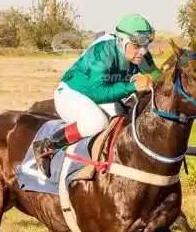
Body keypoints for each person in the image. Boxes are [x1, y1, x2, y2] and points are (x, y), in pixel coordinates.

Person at [30, 13, 161, 170]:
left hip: (101, 92)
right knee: (97, 122)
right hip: (72, 93)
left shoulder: (140, 56)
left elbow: (159, 78)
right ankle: (47, 145)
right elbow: (97, 93)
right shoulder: (102, 52)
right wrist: (132, 87)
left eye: (146, 46)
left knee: (126, 118)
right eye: (137, 46)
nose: (143, 51)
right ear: (121, 41)